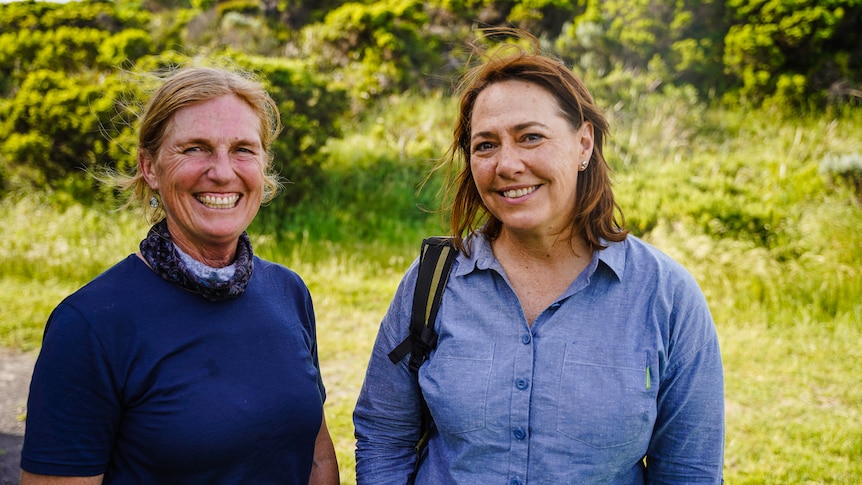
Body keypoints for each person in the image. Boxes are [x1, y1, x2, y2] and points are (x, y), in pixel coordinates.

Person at [354, 29, 724, 484]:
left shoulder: (666, 296)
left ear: (583, 144)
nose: (506, 164)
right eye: (485, 144)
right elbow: (383, 433)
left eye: (530, 137)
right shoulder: (432, 282)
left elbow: (688, 469)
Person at [20, 65, 339, 484]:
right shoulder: (90, 325)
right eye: (195, 149)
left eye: (243, 149)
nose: (223, 172)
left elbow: (317, 461)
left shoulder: (288, 292)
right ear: (150, 167)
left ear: (263, 165)